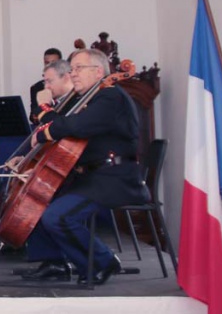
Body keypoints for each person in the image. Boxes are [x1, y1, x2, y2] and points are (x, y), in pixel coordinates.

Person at [15, 48, 145, 285]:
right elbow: (69, 130)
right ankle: (56, 262)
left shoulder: (111, 97)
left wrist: (44, 129)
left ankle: (102, 262)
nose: (73, 73)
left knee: (58, 216)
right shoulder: (89, 99)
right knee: (40, 203)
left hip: (113, 177)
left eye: (78, 68)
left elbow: (75, 126)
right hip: (90, 177)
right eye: (72, 69)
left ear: (98, 72)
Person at [29, 48, 63, 123]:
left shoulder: (65, 85)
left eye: (53, 63)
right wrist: (36, 115)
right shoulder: (36, 87)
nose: (50, 66)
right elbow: (32, 116)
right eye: (47, 63)